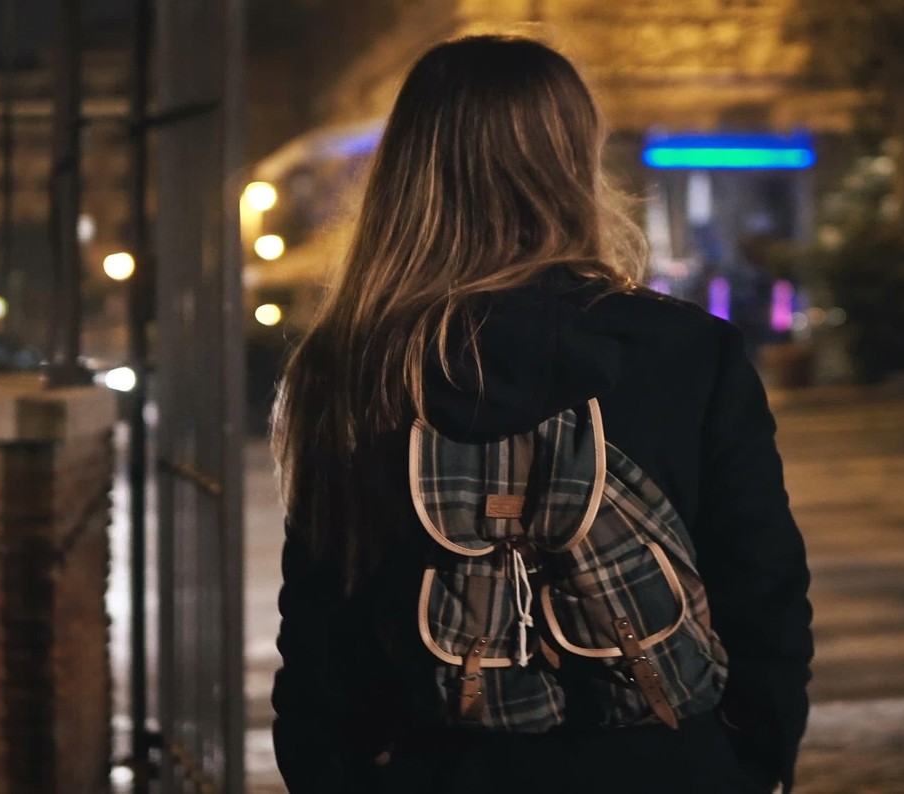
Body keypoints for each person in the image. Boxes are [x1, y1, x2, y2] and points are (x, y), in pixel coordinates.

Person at [270, 36, 813, 793]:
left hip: (436, 765)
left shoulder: (351, 366)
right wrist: (751, 759)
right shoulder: (686, 351)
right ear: (571, 162)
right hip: (663, 764)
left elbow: (323, 624)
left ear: (409, 171)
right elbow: (763, 588)